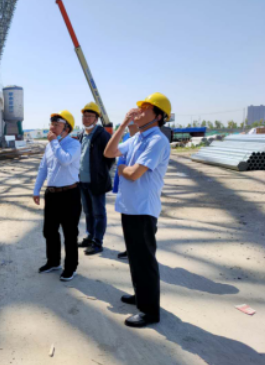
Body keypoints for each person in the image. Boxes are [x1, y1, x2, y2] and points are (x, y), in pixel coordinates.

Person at [104, 92, 171, 328]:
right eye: (139, 108)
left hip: (143, 209)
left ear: (159, 116)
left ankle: (150, 311)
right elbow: (109, 152)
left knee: (145, 261)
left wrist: (121, 169)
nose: (139, 112)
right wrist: (123, 124)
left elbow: (133, 174)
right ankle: (140, 296)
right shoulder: (137, 138)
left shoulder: (157, 140)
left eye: (145, 109)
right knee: (134, 258)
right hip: (130, 207)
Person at [33, 110, 82, 282]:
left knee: (70, 233)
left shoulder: (73, 144)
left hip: (69, 194)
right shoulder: (49, 145)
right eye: (51, 123)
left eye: (57, 124)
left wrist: (54, 142)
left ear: (67, 127)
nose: (52, 127)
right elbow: (43, 168)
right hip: (52, 194)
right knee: (49, 231)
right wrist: (36, 189)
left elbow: (65, 160)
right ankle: (53, 262)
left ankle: (71, 268)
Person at [77, 102, 115, 255]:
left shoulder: (102, 134)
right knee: (88, 212)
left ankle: (98, 242)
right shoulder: (81, 135)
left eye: (89, 116)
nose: (86, 119)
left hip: (96, 181)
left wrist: (100, 172)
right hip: (82, 181)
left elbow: (110, 157)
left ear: (96, 118)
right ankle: (90, 236)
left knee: (99, 213)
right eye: (84, 116)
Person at [112, 120, 140, 259]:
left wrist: (123, 170)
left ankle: (137, 249)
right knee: (127, 220)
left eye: (132, 121)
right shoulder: (126, 139)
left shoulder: (142, 139)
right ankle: (129, 248)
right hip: (123, 180)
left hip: (134, 181)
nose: (130, 123)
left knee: (138, 222)